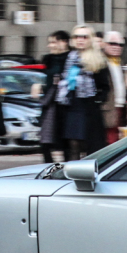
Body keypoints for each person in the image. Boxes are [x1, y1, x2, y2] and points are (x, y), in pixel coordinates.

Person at [48, 24, 112, 161]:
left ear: (90, 39)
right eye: (77, 36)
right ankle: (71, 173)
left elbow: (105, 87)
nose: (80, 40)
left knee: (90, 145)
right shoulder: (68, 57)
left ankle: (88, 173)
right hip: (69, 105)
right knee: (72, 144)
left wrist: (96, 101)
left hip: (88, 107)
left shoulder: (98, 59)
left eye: (84, 37)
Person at [35, 30, 72, 163]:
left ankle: (67, 170)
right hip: (50, 102)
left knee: (66, 141)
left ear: (64, 42)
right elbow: (47, 79)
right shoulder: (48, 59)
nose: (50, 46)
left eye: (53, 42)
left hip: (65, 103)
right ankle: (49, 168)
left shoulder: (71, 57)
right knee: (45, 140)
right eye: (49, 43)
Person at [102, 30, 127, 143]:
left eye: (120, 44)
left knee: (117, 138)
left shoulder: (120, 62)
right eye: (112, 43)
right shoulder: (101, 62)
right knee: (110, 139)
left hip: (120, 105)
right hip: (108, 107)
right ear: (104, 44)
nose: (117, 47)